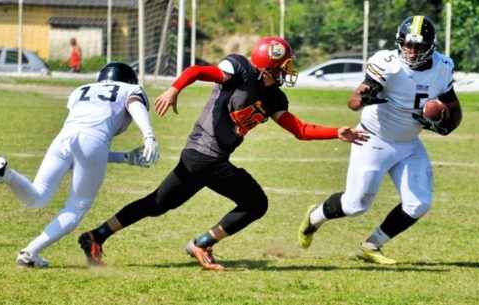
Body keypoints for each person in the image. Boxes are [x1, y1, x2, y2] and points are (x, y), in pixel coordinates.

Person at [77, 36, 368, 271]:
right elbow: (198, 71)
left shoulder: (274, 96)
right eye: (284, 66)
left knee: (157, 203)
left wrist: (336, 132)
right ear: (268, 67)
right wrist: (174, 89)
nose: (287, 71)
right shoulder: (239, 71)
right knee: (256, 203)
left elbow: (300, 130)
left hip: (205, 158)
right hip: (205, 156)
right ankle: (201, 244)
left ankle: (96, 236)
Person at [297, 15, 462, 265]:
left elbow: (453, 106)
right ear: (399, 42)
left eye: (418, 45)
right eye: (407, 44)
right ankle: (314, 217)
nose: (411, 50)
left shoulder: (442, 66)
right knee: (355, 205)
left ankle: (371, 245)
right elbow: (353, 102)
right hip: (373, 139)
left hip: (409, 144)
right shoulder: (388, 64)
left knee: (419, 203)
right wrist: (362, 98)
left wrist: (446, 124)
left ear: (431, 45)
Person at [0, 62, 158, 268]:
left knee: (37, 197)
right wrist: (148, 135)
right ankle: (29, 253)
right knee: (77, 206)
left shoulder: (81, 90)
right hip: (92, 141)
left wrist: (123, 158)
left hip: (63, 138)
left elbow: (85, 149)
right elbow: (132, 104)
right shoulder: (130, 89)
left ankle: (6, 175)